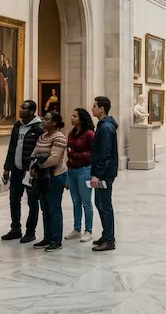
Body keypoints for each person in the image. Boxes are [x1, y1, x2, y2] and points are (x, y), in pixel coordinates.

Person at [1, 100, 44, 243]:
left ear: (32, 111)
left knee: (32, 201)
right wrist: (7, 168)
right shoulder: (17, 125)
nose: (20, 110)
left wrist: (36, 168)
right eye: (20, 107)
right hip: (16, 169)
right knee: (14, 199)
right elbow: (12, 147)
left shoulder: (39, 127)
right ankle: (15, 229)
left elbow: (41, 150)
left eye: (24, 108)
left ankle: (30, 231)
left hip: (30, 172)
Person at [31, 111, 68, 252]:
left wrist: (39, 166)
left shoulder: (59, 137)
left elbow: (54, 159)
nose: (43, 121)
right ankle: (47, 237)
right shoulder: (43, 136)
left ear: (54, 122)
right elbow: (34, 153)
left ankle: (56, 240)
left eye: (46, 119)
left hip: (55, 176)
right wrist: (34, 166)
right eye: (43, 118)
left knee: (54, 209)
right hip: (42, 177)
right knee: (45, 209)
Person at [91, 96, 119, 252]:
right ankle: (106, 234)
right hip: (102, 172)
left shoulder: (106, 127)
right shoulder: (103, 125)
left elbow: (105, 154)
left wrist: (98, 174)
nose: (92, 108)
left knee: (104, 204)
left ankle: (109, 239)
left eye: (94, 106)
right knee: (99, 203)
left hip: (104, 174)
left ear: (102, 109)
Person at [65, 108, 95, 243]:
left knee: (86, 202)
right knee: (75, 201)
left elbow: (92, 154)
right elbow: (68, 149)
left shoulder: (89, 134)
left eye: (75, 116)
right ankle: (77, 229)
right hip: (72, 169)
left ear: (82, 119)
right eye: (72, 116)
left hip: (84, 170)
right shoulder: (72, 133)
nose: (72, 118)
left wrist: (75, 154)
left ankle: (88, 230)